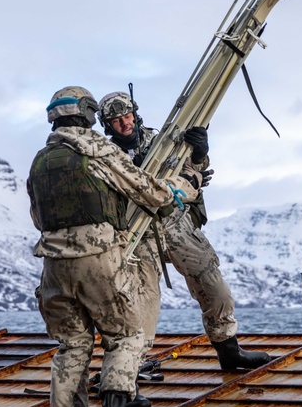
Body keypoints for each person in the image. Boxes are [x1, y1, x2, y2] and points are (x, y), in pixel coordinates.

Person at [27, 86, 201, 407]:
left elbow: (37, 217)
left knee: (72, 344)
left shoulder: (40, 162)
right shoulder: (97, 149)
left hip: (53, 266)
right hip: (99, 258)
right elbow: (147, 191)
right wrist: (184, 187)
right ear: (88, 115)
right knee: (126, 333)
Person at [98, 90, 272, 378]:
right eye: (116, 121)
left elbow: (194, 170)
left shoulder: (162, 142)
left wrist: (201, 151)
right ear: (107, 126)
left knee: (214, 286)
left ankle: (229, 350)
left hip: (175, 222)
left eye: (127, 116)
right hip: (138, 231)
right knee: (143, 301)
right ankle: (130, 369)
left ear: (135, 113)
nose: (124, 124)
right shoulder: (107, 157)